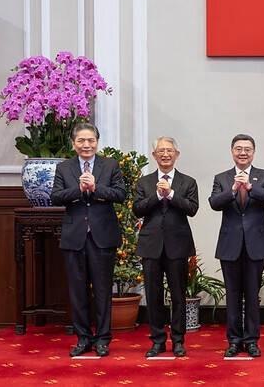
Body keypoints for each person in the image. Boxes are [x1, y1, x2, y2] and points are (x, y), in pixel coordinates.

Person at [50, 122, 126, 357]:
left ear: (97, 142)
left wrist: (96, 188)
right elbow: (56, 197)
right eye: (81, 141)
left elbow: (121, 194)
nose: (86, 145)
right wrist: (79, 189)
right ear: (73, 144)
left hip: (103, 236)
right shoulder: (64, 168)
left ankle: (103, 339)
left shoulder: (110, 165)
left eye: (91, 140)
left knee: (103, 291)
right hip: (75, 238)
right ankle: (83, 338)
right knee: (77, 291)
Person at [209, 134, 264, 358]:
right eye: (238, 148)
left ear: (253, 153)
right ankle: (233, 340)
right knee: (232, 295)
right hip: (230, 244)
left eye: (247, 149)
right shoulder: (221, 177)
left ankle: (251, 340)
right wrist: (232, 190)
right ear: (232, 152)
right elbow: (213, 203)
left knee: (251, 294)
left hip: (256, 244)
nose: (243, 152)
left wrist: (250, 187)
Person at [132, 136, 199, 358]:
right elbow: (138, 209)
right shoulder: (144, 182)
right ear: (154, 155)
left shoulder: (187, 182)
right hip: (151, 246)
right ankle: (157, 340)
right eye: (161, 151)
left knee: (178, 295)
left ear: (176, 154)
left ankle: (178, 340)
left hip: (177, 245)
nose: (165, 154)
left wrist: (170, 194)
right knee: (153, 295)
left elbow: (192, 209)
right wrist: (156, 195)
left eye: (169, 150)